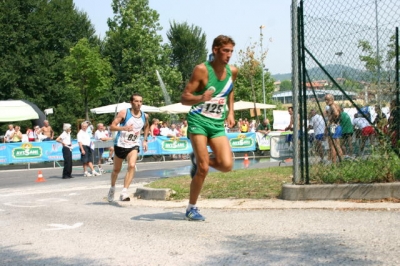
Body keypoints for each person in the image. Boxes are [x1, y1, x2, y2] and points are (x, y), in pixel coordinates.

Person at [181, 35, 238, 221]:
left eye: (231, 51)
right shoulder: (202, 70)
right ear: (215, 50)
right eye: (225, 51)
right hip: (198, 121)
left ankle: (198, 161)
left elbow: (230, 90)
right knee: (204, 168)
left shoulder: (233, 71)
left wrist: (231, 113)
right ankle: (191, 208)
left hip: (216, 123)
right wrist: (200, 98)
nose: (229, 55)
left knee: (227, 165)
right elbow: (184, 98)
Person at [107, 93, 149, 202]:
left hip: (133, 145)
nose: (139, 104)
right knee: (116, 170)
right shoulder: (124, 113)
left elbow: (147, 126)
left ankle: (124, 192)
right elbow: (112, 127)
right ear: (131, 102)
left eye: (140, 101)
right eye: (136, 101)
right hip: (121, 144)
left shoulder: (145, 116)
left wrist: (145, 140)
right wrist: (124, 128)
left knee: (132, 165)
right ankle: (112, 187)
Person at [324, 94, 343, 163]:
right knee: (337, 146)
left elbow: (336, 114)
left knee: (332, 146)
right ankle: (341, 161)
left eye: (327, 99)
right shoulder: (336, 105)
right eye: (325, 100)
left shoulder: (332, 106)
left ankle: (334, 163)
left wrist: (331, 118)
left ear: (332, 99)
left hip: (333, 126)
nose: (326, 101)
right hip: (337, 126)